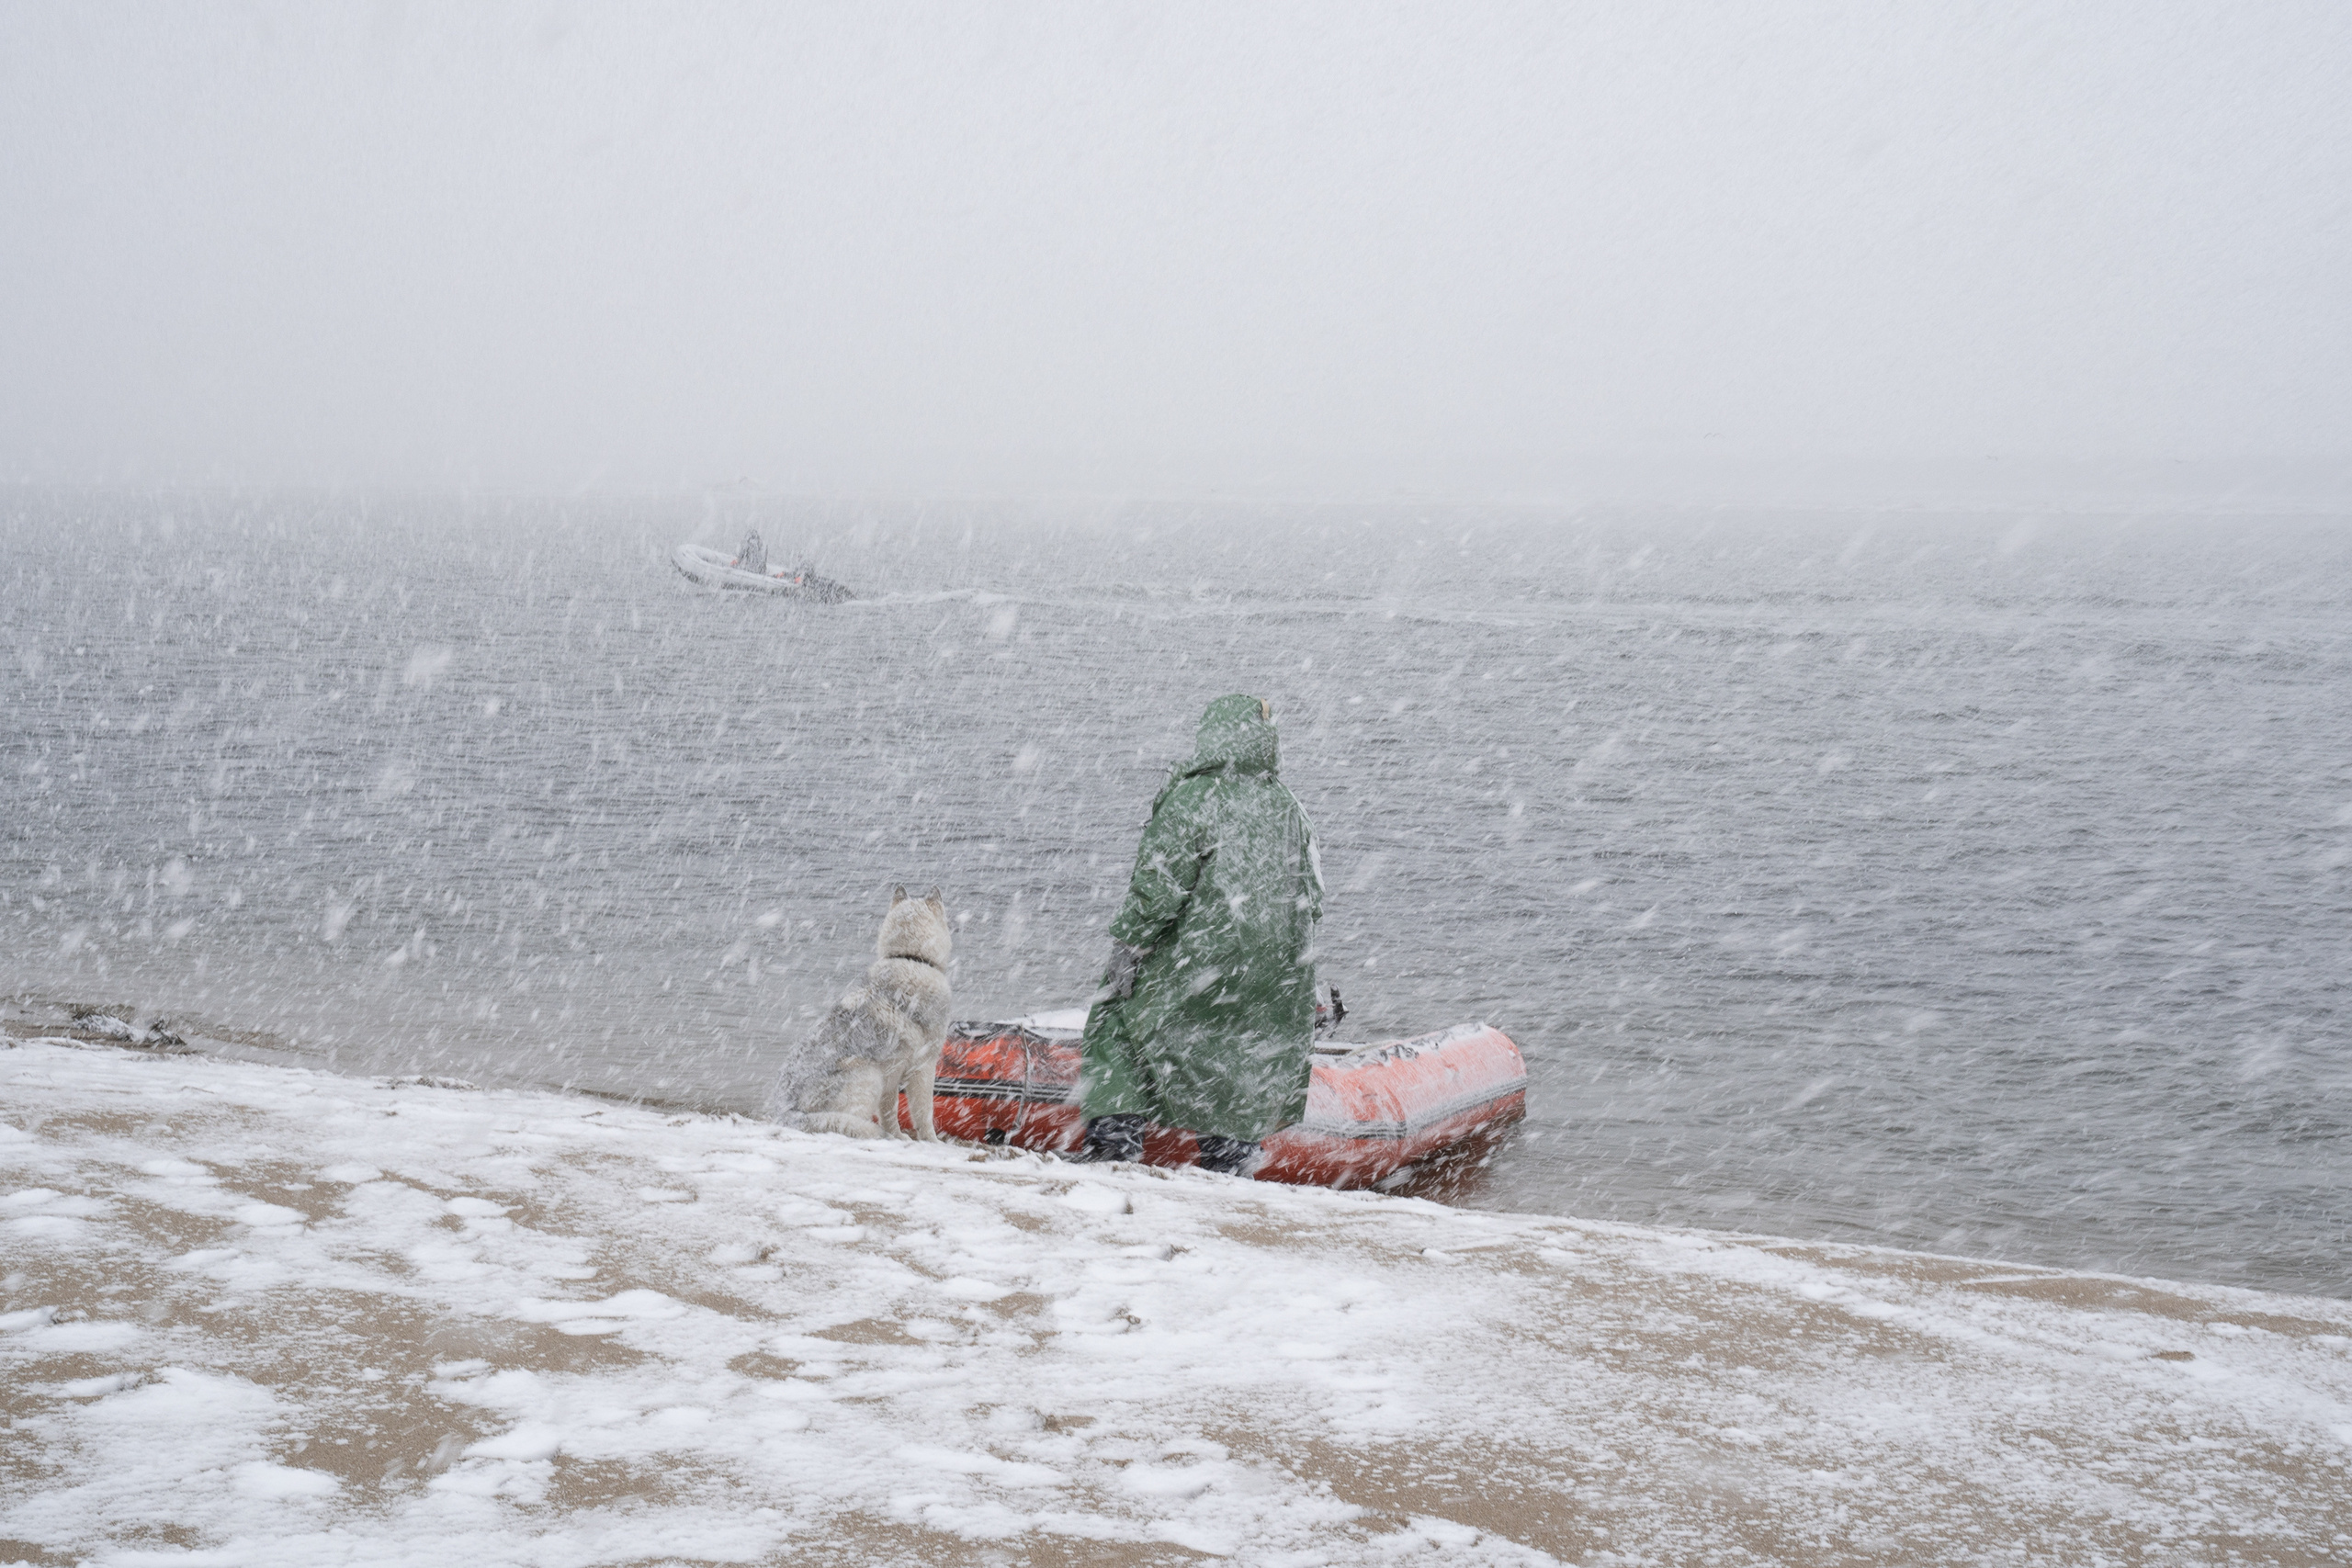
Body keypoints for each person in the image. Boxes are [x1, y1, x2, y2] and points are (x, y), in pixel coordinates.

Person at [1076, 694, 1323, 1175]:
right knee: (1242, 1051)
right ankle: (1228, 1161)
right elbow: (1312, 895)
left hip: (1201, 955)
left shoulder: (1194, 797)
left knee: (1116, 1023)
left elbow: (1159, 885)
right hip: (1272, 967)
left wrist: (1130, 945)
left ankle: (1116, 1148)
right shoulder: (1288, 804)